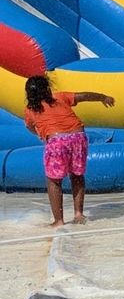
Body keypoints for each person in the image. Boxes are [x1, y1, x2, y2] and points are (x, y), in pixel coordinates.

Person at [23, 76, 115, 228]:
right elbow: (84, 96)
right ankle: (78, 213)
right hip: (78, 137)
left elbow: (30, 127)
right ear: (47, 88)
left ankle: (59, 220)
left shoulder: (30, 110)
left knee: (54, 180)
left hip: (57, 142)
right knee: (77, 175)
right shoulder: (59, 97)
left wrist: (41, 134)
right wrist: (103, 97)